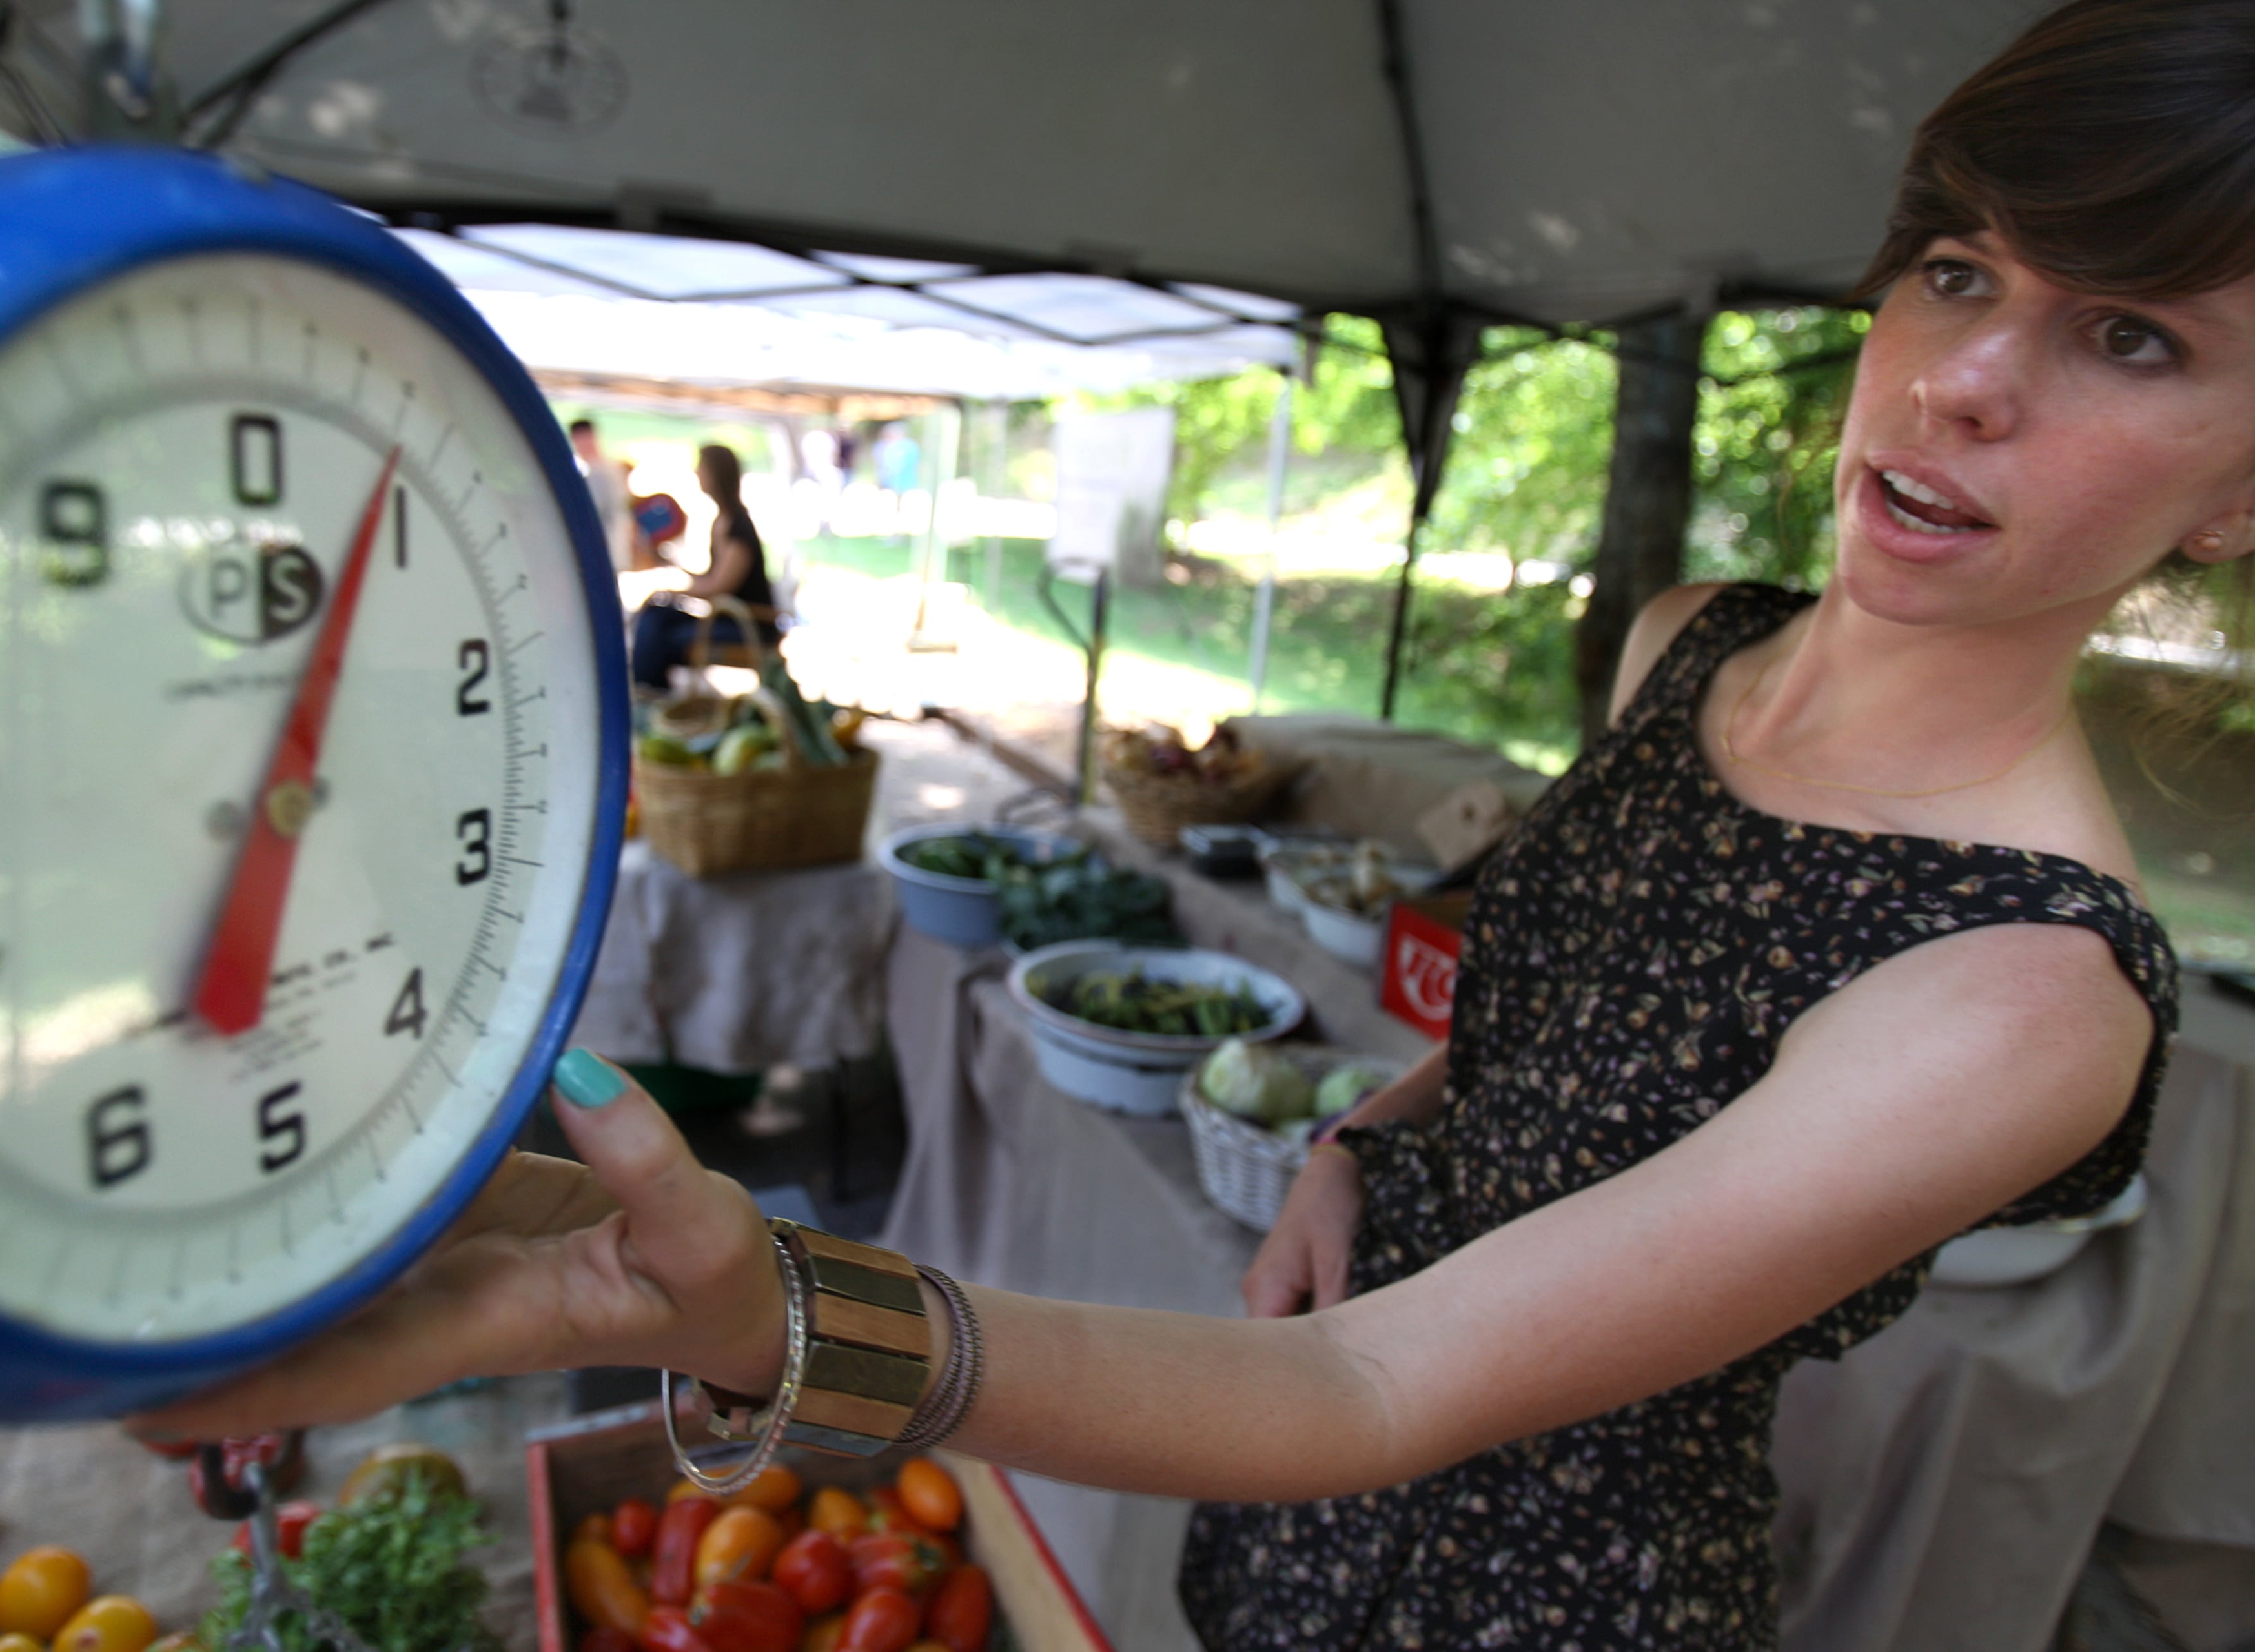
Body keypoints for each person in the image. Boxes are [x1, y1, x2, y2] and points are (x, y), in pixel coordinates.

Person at [135, 4, 2255, 1645]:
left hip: (1530, 1570)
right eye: (1963, 270)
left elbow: (1370, 1389)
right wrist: (1366, 1128)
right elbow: (1560, 1042)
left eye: (2132, 335)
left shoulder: (2024, 991)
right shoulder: (1690, 642)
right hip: (1291, 1494)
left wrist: (743, 1304)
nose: (1970, 380)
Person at [626, 444, 780, 691]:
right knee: (657, 614)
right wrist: (673, 567)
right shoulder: (722, 522)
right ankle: (648, 691)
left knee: (664, 637)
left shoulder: (739, 527)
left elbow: (719, 586)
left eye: (702, 469)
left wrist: (676, 593)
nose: (698, 475)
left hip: (748, 624)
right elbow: (713, 580)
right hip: (726, 616)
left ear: (717, 474)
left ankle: (649, 694)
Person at [565, 417, 638, 575]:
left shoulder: (598, 472)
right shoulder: (614, 469)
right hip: (615, 549)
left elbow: (591, 511)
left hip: (604, 550)